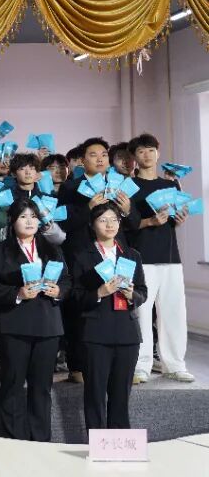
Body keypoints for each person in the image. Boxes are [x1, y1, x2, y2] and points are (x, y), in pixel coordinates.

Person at [0, 198, 70, 441]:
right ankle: (15, 440)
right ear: (12, 221)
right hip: (14, 325)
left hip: (48, 326)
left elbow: (67, 280)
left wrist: (59, 291)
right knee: (12, 385)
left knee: (42, 388)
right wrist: (17, 293)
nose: (29, 221)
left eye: (33, 216)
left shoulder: (52, 249)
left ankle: (40, 441)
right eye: (23, 216)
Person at [58, 138, 139, 384]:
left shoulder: (120, 185)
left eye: (104, 154)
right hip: (82, 254)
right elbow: (63, 223)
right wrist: (88, 207)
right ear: (82, 161)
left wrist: (127, 209)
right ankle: (77, 365)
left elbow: (134, 224)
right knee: (79, 307)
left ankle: (117, 362)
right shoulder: (71, 187)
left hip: (114, 253)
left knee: (117, 304)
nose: (100, 159)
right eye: (93, 155)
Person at [69, 202, 147, 430]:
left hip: (127, 334)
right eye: (103, 220)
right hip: (96, 334)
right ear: (92, 225)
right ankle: (97, 444)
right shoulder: (82, 256)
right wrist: (99, 293)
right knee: (94, 395)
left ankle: (119, 443)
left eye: (114, 219)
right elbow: (74, 296)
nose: (110, 224)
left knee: (121, 397)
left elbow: (143, 292)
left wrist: (132, 295)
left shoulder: (132, 255)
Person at [128, 133, 194, 383]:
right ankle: (140, 365)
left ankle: (174, 364)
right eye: (141, 151)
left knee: (174, 312)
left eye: (150, 150)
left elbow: (175, 220)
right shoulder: (129, 186)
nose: (147, 155)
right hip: (141, 256)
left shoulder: (171, 185)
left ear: (158, 153)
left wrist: (180, 219)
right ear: (134, 157)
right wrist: (150, 221)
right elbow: (125, 224)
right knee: (142, 313)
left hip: (170, 256)